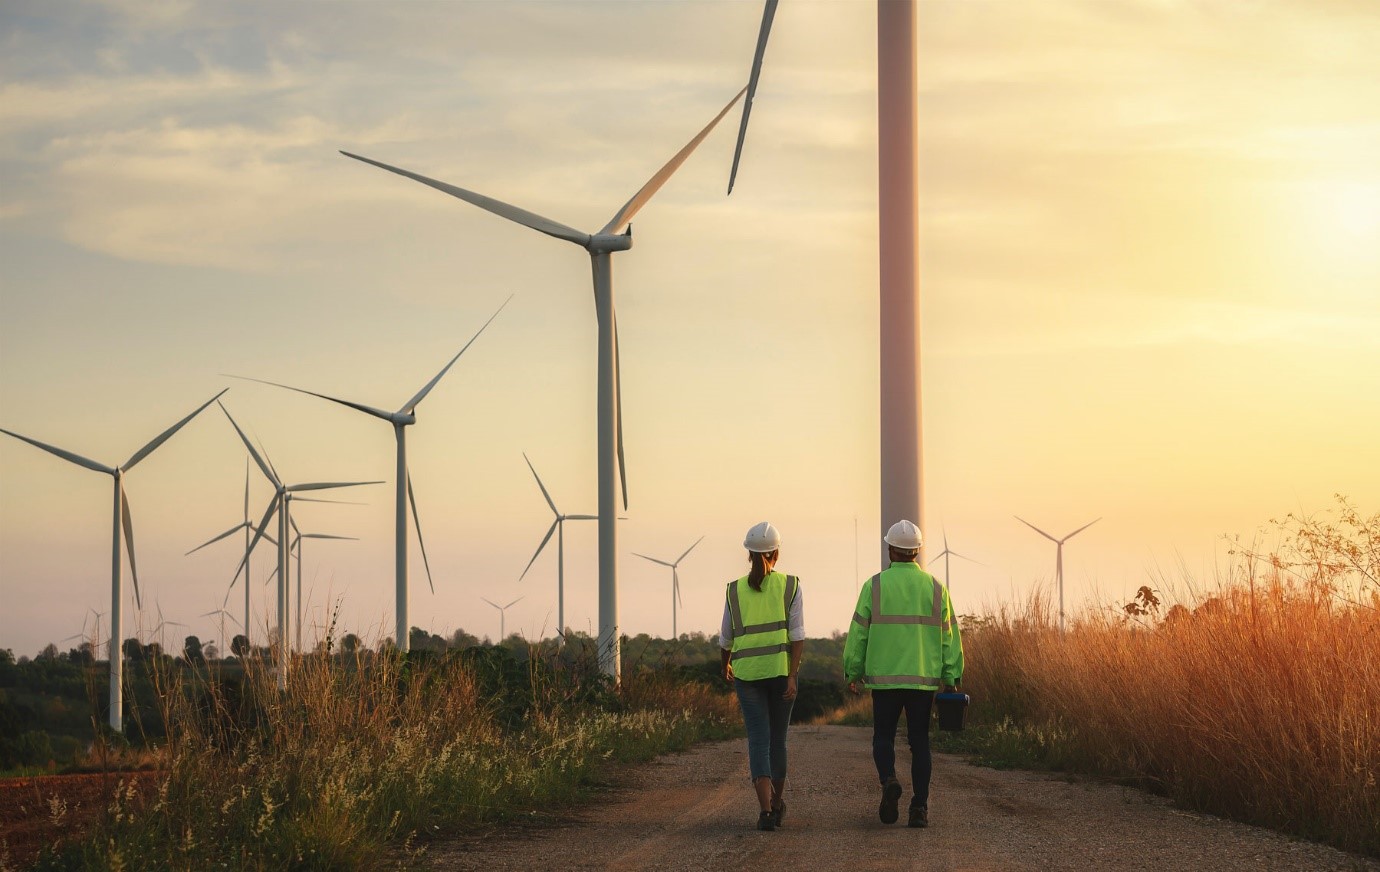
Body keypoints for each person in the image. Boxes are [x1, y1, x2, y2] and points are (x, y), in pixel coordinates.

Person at [843, 519, 963, 828]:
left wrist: (853, 671)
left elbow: (859, 634)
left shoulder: (875, 585)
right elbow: (949, 637)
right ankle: (919, 808)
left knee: (882, 737)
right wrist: (951, 677)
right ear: (918, 551)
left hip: (884, 680)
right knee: (919, 742)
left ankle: (889, 780)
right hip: (923, 681)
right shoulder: (937, 588)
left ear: (890, 550)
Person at [720, 521, 805, 831]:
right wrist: (793, 675)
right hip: (782, 674)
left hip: (748, 675)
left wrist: (725, 664)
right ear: (776, 553)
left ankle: (766, 811)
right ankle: (777, 802)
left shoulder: (733, 590)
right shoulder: (791, 585)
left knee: (758, 741)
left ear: (748, 554)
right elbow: (798, 635)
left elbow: (725, 638)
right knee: (778, 741)